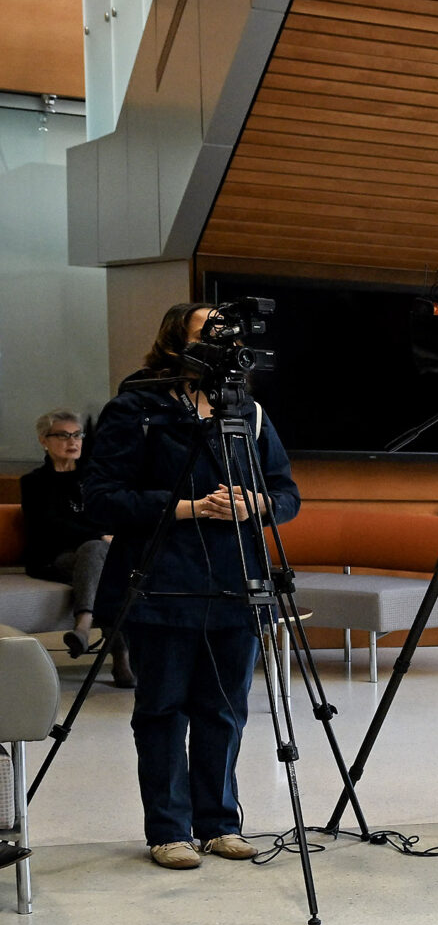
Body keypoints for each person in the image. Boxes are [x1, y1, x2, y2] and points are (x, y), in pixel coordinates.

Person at [84, 301, 300, 869]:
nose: (226, 340)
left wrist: (257, 503)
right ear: (178, 342)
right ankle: (167, 830)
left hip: (237, 581)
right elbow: (101, 498)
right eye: (211, 330)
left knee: (226, 709)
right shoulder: (138, 406)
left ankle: (219, 824)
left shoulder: (246, 412)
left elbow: (286, 493)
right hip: (161, 583)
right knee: (162, 710)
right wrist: (187, 508)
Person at [19, 408, 118, 671]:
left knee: (101, 558)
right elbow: (51, 527)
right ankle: (121, 655)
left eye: (77, 435)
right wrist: (98, 534)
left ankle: (84, 628)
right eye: (62, 435)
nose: (72, 441)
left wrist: (101, 535)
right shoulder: (33, 483)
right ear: (44, 440)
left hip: (95, 555)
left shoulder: (94, 478)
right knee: (97, 550)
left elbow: (109, 515)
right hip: (54, 556)